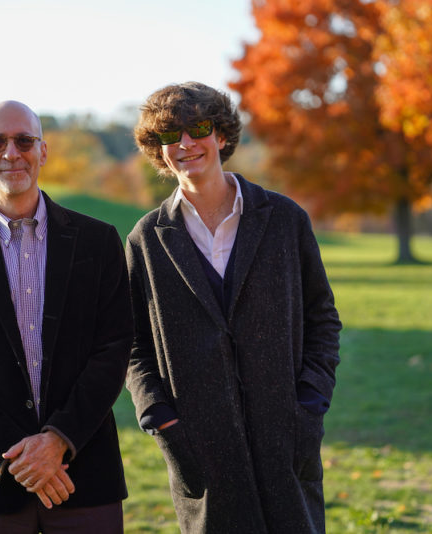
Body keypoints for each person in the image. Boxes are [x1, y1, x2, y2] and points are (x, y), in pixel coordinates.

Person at [125, 82, 342, 533]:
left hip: (286, 435)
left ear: (221, 135)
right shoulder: (146, 239)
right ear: (159, 150)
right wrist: (160, 418)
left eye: (198, 128)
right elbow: (132, 344)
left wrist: (310, 402)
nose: (186, 144)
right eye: (170, 135)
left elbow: (322, 317)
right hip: (199, 446)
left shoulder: (284, 219)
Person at [0, 100, 132, 534]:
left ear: (43, 150)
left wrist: (57, 441)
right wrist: (17, 457)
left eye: (24, 140)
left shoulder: (98, 241)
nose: (11, 153)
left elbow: (113, 352)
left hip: (82, 476)